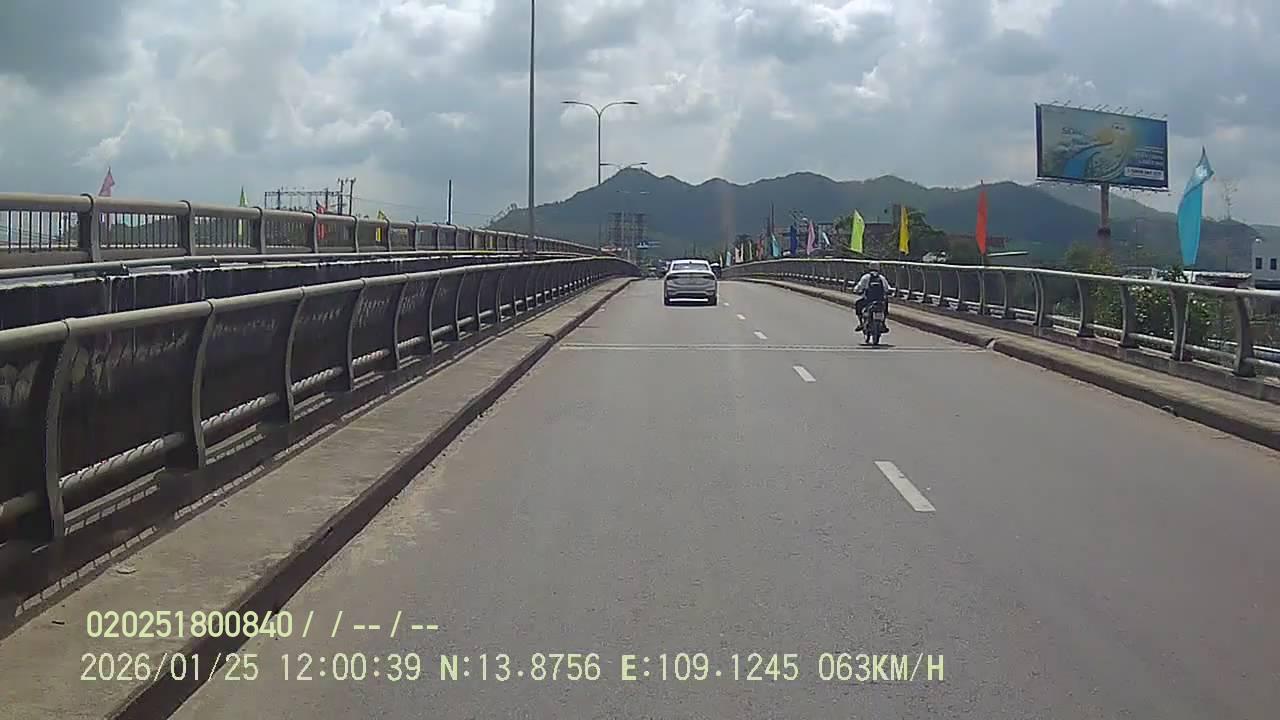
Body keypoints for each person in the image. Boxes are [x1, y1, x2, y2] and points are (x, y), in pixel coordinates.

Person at [853, 261, 894, 332]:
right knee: (885, 306)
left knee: (858, 304)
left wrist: (856, 290)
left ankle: (861, 323)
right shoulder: (882, 278)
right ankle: (883, 323)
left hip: (868, 300)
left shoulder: (866, 277)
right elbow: (887, 288)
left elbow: (859, 287)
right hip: (880, 301)